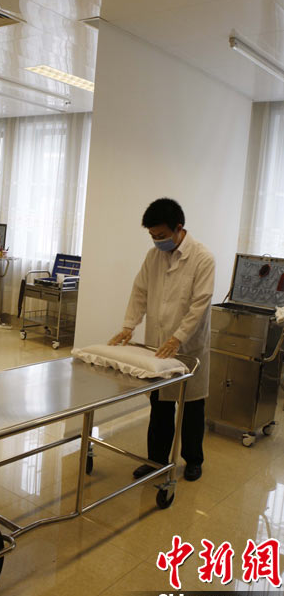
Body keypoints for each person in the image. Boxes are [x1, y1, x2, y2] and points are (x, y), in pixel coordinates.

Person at [109, 198, 215, 482]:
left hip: (189, 346)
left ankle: (193, 460)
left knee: (191, 408)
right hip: (158, 346)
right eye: (153, 236)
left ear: (179, 228)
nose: (157, 241)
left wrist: (178, 338)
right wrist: (129, 326)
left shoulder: (203, 258)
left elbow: (200, 304)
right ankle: (156, 460)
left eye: (161, 235)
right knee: (160, 406)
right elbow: (140, 292)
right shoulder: (153, 256)